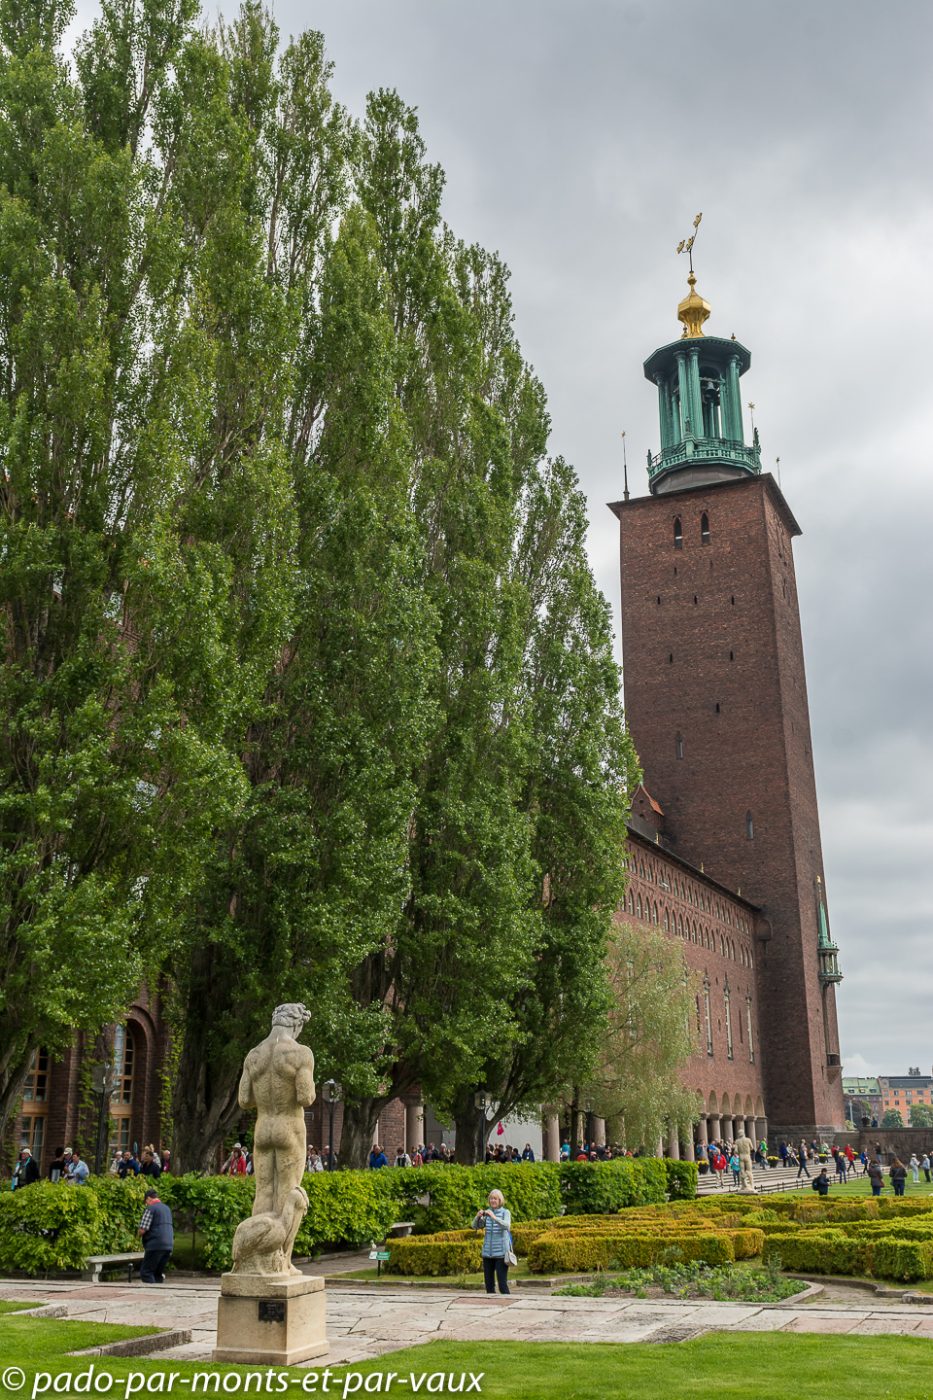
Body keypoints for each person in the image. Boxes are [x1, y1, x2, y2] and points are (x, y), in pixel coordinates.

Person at [472, 1189, 513, 1295]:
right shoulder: (487, 1213)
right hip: (487, 1254)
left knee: (502, 1285)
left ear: (500, 1200)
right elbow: (475, 1226)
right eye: (491, 1198)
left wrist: (494, 1217)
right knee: (489, 1285)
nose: (493, 1200)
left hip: (501, 1254)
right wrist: (478, 1217)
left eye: (495, 1198)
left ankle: (508, 1305)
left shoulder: (505, 1212)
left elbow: (507, 1226)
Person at [138, 1187, 174, 1284]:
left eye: (146, 1201)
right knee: (157, 1273)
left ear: (149, 1198)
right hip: (169, 1245)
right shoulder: (167, 1209)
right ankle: (159, 1295)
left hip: (155, 1245)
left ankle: (151, 1294)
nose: (146, 1204)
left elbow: (142, 1229)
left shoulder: (151, 1209)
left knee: (146, 1272)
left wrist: (138, 1235)